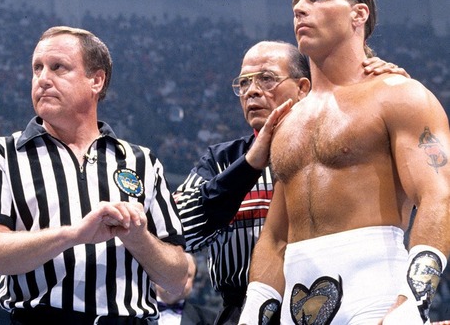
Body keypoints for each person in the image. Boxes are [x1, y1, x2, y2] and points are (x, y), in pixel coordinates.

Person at [239, 0, 450, 324]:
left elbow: (438, 196)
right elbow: (275, 238)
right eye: (296, 2)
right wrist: (256, 309)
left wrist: (413, 301)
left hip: (376, 297)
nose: (300, 8)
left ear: (358, 14)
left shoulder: (400, 95)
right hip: (295, 305)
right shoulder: (289, 123)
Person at [0, 26, 187, 324]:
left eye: (58, 67)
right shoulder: (3, 154)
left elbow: (176, 279)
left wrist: (139, 238)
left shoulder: (142, 162)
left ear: (96, 80)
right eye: (37, 68)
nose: (43, 78)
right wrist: (74, 234)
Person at [173, 41, 405, 324]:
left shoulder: (343, 152)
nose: (252, 90)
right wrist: (248, 166)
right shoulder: (222, 160)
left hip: (337, 305)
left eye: (266, 78)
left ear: (303, 88)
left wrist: (393, 98)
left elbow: (406, 197)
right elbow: (177, 229)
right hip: (242, 308)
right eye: (244, 83)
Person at [155, 253, 217, 325]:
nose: (177, 280)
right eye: (171, 272)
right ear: (154, 276)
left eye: (185, 275)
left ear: (193, 281)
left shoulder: (211, 320)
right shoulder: (142, 314)